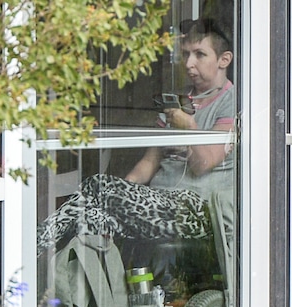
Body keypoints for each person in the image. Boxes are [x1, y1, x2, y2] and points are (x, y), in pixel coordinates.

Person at [36, 18, 235, 256]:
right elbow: (149, 163)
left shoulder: (232, 101)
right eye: (185, 54)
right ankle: (41, 268)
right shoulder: (178, 100)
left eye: (200, 54)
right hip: (156, 202)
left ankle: (30, 251)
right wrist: (121, 189)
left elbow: (204, 164)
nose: (189, 63)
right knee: (89, 215)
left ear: (224, 60)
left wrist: (189, 126)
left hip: (197, 211)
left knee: (97, 186)